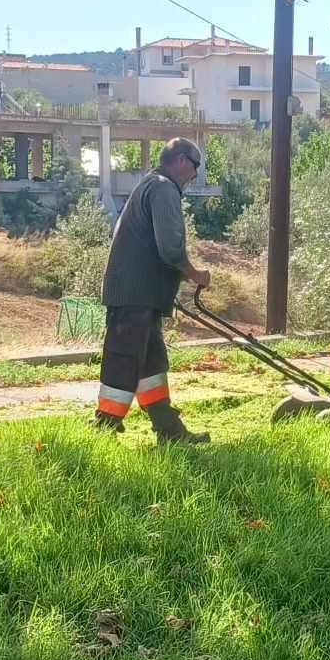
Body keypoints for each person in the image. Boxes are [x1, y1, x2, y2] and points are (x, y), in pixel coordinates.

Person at [93, 137, 212, 444]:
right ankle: (103, 429)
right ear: (182, 160)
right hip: (135, 294)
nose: (195, 174)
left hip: (141, 294)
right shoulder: (163, 188)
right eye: (195, 166)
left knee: (152, 365)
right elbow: (170, 249)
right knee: (124, 360)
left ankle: (169, 430)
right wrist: (195, 274)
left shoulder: (150, 184)